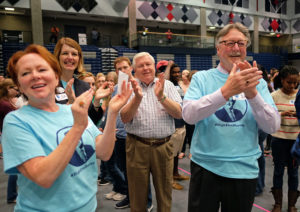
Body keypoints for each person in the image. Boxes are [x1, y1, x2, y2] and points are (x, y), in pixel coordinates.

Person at [2, 44, 132, 211]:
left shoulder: (72, 110)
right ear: (19, 85)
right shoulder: (16, 121)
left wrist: (113, 112)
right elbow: (44, 177)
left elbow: (104, 152)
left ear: (56, 77)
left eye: (42, 69)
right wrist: (78, 126)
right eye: (25, 73)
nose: (35, 76)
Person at [183, 23, 280, 212]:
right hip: (206, 166)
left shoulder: (257, 82)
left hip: (243, 169)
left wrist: (252, 94)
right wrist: (225, 92)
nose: (236, 48)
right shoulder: (202, 78)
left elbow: (273, 126)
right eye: (229, 43)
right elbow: (188, 115)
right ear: (218, 49)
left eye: (241, 43)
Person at [120, 52, 182, 212]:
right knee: (137, 195)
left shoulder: (167, 85)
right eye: (141, 65)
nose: (145, 68)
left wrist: (162, 97)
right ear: (134, 69)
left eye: (148, 64)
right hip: (136, 146)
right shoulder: (128, 86)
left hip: (164, 146)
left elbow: (179, 113)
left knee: (165, 194)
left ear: (154, 66)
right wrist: (137, 98)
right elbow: (125, 118)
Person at [54, 37, 109, 125]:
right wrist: (72, 102)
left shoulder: (84, 86)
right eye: (65, 53)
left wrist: (97, 102)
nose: (70, 57)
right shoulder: (49, 86)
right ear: (58, 56)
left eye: (74, 54)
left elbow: (92, 120)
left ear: (79, 58)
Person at [270, 66, 300, 212]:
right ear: (282, 80)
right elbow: (268, 116)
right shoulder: (274, 96)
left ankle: (292, 204)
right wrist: (282, 114)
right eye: (289, 82)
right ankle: (278, 203)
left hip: (296, 141)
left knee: (294, 172)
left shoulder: (299, 95)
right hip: (279, 139)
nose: (293, 86)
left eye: (296, 83)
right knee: (278, 171)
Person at [165, 63, 190, 190]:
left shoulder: (178, 85)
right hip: (172, 125)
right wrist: (168, 68)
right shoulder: (166, 85)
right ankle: (170, 180)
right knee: (170, 155)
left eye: (178, 72)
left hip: (181, 124)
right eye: (174, 72)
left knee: (176, 154)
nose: (177, 74)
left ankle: (175, 173)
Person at [0, 78, 19, 204]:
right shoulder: (4, 104)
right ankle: (12, 195)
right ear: (8, 89)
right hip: (10, 136)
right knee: (17, 166)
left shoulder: (6, 102)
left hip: (9, 135)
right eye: (14, 88)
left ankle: (13, 194)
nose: (17, 90)